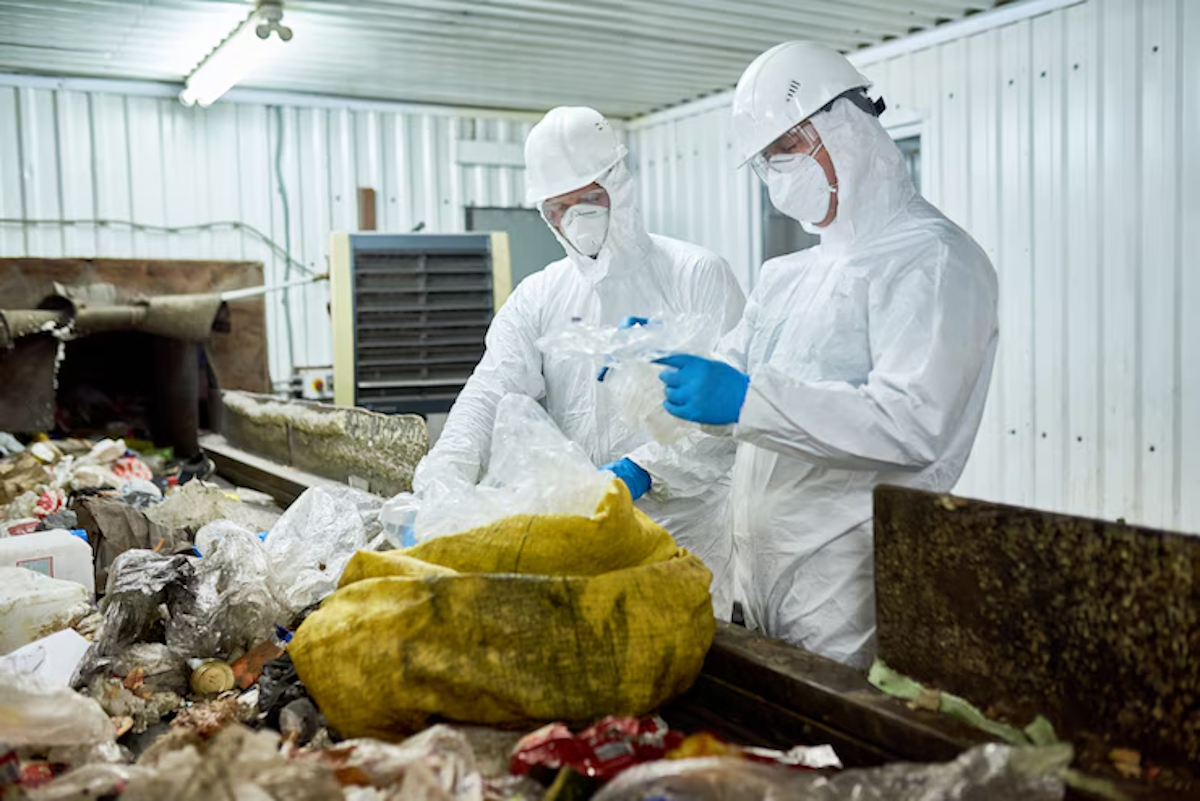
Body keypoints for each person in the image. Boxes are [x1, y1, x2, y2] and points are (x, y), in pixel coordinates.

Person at [655, 42, 999, 667]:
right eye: (767, 161)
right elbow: (724, 383)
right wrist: (648, 365)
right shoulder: (786, 275)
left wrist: (746, 399)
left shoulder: (934, 260)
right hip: (756, 567)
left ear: (848, 129)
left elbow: (912, 423)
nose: (778, 174)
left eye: (787, 149)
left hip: (849, 581)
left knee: (834, 746)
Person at [413, 106, 746, 616]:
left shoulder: (697, 275)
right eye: (557, 209)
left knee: (688, 665)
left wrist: (640, 470)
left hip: (684, 537)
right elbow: (491, 390)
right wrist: (446, 477)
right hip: (581, 533)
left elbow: (727, 419)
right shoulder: (539, 295)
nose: (577, 221)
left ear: (620, 184)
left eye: (590, 199)